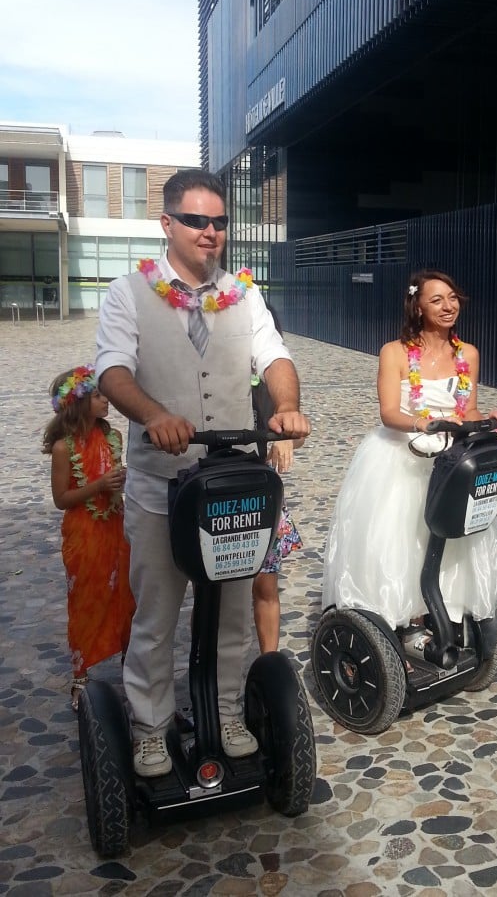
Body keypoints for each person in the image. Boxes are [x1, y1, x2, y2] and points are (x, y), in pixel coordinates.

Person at [96, 168, 310, 779]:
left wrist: (287, 405)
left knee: (235, 615)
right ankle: (150, 728)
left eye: (218, 221)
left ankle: (228, 713)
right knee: (157, 615)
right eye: (195, 220)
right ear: (167, 224)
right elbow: (112, 370)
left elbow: (274, 357)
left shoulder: (243, 294)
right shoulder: (127, 293)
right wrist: (154, 414)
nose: (209, 232)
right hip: (159, 485)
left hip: (228, 488)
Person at [322, 269, 497, 662]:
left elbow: (468, 407)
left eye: (453, 298)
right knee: (402, 540)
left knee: (453, 540)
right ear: (418, 306)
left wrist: (490, 418)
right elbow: (389, 411)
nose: (448, 306)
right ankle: (402, 623)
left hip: (452, 460)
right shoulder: (394, 352)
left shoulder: (468, 354)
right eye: (437, 300)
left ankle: (446, 614)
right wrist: (421, 422)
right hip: (403, 455)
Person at [42, 364, 135, 712]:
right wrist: (97, 486)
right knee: (87, 599)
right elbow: (61, 499)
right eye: (98, 395)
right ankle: (81, 676)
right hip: (84, 533)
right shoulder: (64, 450)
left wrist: (119, 482)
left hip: (116, 527)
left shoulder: (114, 438)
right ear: (79, 403)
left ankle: (133, 667)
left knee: (127, 595)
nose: (106, 399)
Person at [250, 304, 303, 653]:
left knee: (265, 587)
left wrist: (288, 435)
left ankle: (269, 662)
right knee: (213, 592)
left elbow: (294, 428)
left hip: (261, 489)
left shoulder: (273, 377)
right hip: (216, 485)